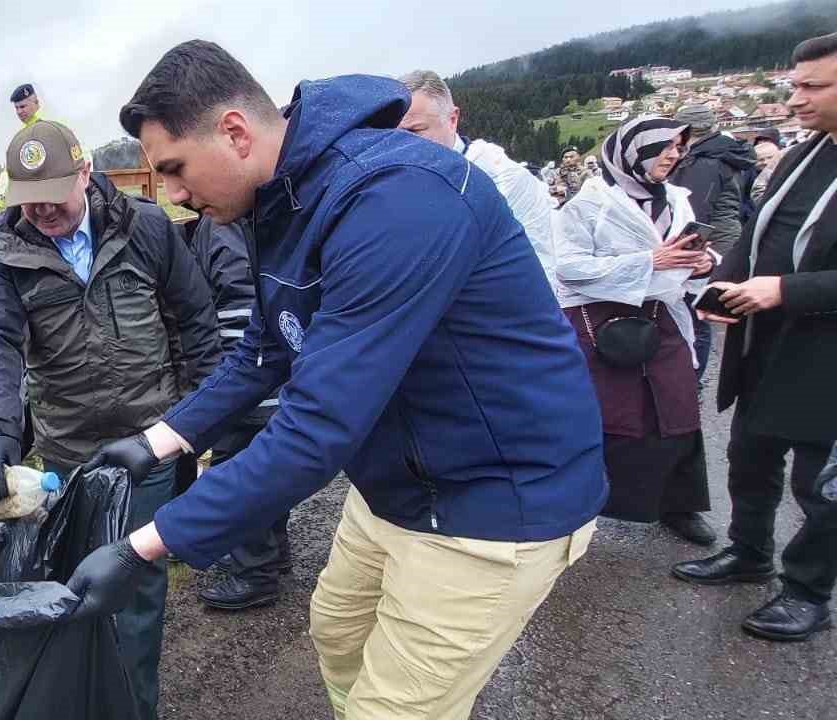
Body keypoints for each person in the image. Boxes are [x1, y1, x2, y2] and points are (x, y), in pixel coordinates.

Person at [73, 41, 605, 720]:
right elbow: (267, 347)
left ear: (234, 131)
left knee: (396, 708)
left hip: (494, 498)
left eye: (175, 168)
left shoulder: (395, 199)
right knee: (339, 635)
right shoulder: (282, 198)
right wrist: (157, 441)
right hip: (399, 483)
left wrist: (144, 546)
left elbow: (316, 426)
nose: (173, 194)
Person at [0, 119, 220, 718]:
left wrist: (200, 423)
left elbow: (194, 324)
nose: (45, 211)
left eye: (56, 193)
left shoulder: (147, 227)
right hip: (69, 452)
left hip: (149, 443)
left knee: (134, 596)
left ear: (85, 173)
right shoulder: (5, 252)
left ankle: (134, 708)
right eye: (30, 202)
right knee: (77, 588)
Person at [673, 32, 837, 643]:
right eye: (794, 84)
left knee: (820, 485)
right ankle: (749, 551)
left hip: (826, 355)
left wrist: (786, 291)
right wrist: (722, 283)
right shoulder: (803, 154)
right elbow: (758, 234)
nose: (795, 98)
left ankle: (807, 589)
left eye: (812, 86)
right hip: (767, 342)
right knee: (750, 456)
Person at [555, 116, 718, 546]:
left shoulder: (677, 200)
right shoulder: (588, 204)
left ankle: (678, 505)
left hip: (663, 318)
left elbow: (684, 252)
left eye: (679, 147)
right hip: (603, 325)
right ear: (634, 149)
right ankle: (577, 507)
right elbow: (567, 267)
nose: (674, 154)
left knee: (677, 412)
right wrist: (648, 262)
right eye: (665, 146)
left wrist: (704, 263)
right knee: (606, 417)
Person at [181, 216, 289, 611]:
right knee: (270, 467)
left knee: (238, 472)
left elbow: (236, 295)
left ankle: (253, 572)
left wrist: (217, 376)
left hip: (246, 373)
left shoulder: (221, 225)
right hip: (269, 373)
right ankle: (274, 553)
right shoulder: (257, 217)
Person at [399, 70, 559, 286]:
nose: (403, 144)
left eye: (416, 130)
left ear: (453, 119)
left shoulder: (503, 179)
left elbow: (538, 269)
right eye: (394, 134)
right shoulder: (393, 179)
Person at [669, 105, 757, 378]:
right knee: (704, 311)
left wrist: (684, 251)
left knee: (697, 315)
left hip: (712, 242)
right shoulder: (727, 154)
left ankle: (692, 379)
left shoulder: (706, 161)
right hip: (726, 236)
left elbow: (695, 209)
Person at [752, 128, 785, 204]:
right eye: (761, 140)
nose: (763, 143)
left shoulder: (785, 163)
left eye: (766, 140)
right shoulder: (748, 170)